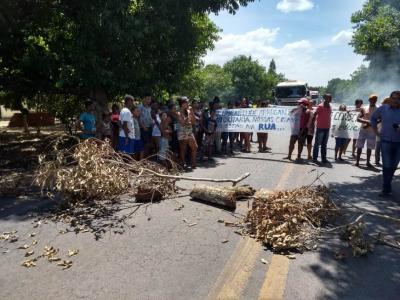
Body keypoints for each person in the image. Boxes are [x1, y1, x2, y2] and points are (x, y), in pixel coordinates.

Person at [371, 91, 400, 197]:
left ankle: (387, 185)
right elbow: (373, 118)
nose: (396, 100)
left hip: (399, 143)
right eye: (394, 98)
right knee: (386, 165)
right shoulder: (383, 109)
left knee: (394, 166)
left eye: (398, 98)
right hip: (385, 141)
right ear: (390, 99)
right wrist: (376, 132)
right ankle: (386, 187)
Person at [355, 95, 378, 167]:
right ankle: (357, 161)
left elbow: (380, 120)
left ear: (376, 100)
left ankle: (368, 162)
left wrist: (370, 124)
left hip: (372, 131)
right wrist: (367, 122)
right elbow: (358, 119)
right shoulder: (364, 108)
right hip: (363, 130)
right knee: (359, 146)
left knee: (369, 147)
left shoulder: (378, 109)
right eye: (371, 99)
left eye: (374, 99)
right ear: (369, 100)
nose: (373, 100)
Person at [176, 97, 198, 169]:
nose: (188, 104)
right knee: (183, 149)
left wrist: (191, 112)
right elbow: (182, 123)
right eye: (187, 102)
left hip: (189, 131)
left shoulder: (189, 111)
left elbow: (194, 122)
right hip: (182, 132)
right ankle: (182, 163)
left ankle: (193, 164)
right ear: (182, 104)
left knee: (194, 147)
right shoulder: (178, 112)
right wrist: (188, 117)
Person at [312, 94, 332, 164]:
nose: (331, 98)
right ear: (325, 98)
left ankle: (324, 158)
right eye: (329, 97)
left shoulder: (330, 106)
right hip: (320, 128)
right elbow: (314, 115)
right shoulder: (320, 106)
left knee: (324, 144)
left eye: (331, 97)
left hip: (327, 128)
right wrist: (312, 125)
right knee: (317, 144)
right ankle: (314, 158)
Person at [375, 97, 391, 166]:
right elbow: (376, 119)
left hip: (388, 130)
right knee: (378, 146)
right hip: (380, 129)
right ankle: (377, 160)